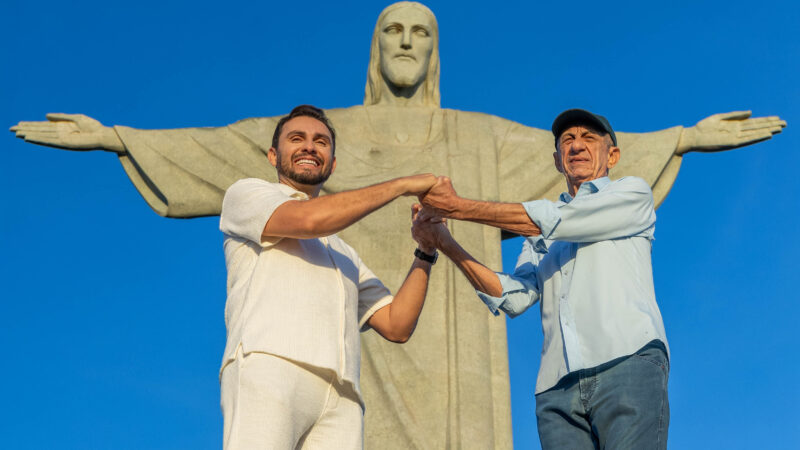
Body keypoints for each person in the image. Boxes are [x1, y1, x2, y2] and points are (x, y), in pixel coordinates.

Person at [9, 3, 784, 447]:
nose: (406, 43)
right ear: (374, 50)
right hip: (333, 364)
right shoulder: (319, 142)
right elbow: (224, 147)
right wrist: (122, 138)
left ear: (435, 50)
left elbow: (576, 174)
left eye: (421, 33)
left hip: (449, 347)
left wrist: (680, 136)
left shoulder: (481, 138)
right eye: (393, 32)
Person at [415, 109, 671, 449]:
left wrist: (454, 206)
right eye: (568, 140)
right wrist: (443, 242)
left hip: (626, 361)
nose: (577, 145)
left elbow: (556, 220)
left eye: (588, 138)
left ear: (613, 155)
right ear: (557, 159)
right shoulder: (540, 232)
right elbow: (514, 297)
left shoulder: (632, 194)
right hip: (556, 390)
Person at [218, 104, 440, 449]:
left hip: (342, 394)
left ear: (332, 163)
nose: (310, 146)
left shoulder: (343, 253)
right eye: (297, 139)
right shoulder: (247, 194)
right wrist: (402, 185)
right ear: (273, 155)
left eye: (321, 142)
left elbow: (397, 324)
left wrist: (425, 250)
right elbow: (307, 221)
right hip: (270, 364)